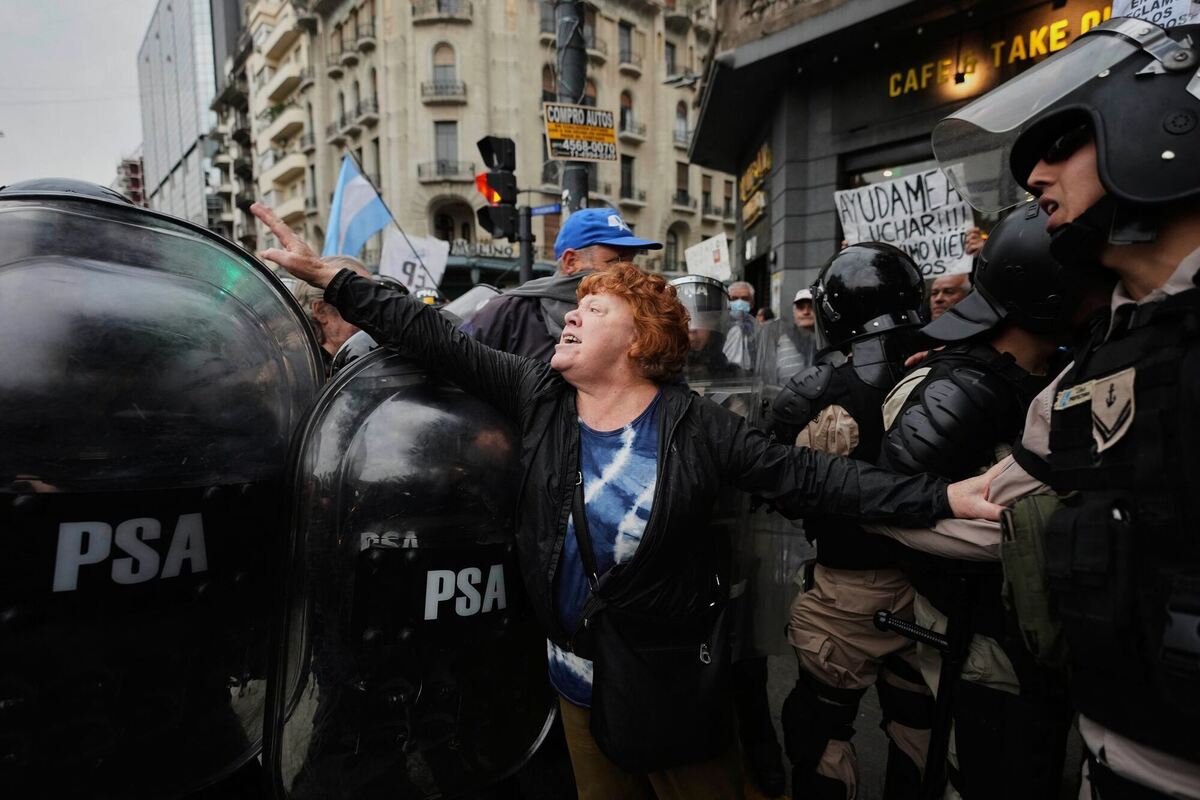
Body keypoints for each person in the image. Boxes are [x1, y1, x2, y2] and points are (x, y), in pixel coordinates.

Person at [251, 201, 1000, 799]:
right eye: (578, 307)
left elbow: (817, 478)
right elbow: (431, 334)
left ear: (640, 341)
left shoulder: (699, 428)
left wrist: (944, 497)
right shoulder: (538, 393)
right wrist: (331, 277)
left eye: (594, 309)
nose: (571, 315)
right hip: (572, 681)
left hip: (670, 685)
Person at [930, 18, 1200, 798]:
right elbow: (993, 509)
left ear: (1166, 126)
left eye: (1064, 144)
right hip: (1110, 762)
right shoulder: (1106, 351)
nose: (1037, 178)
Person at [873, 202, 1097, 799]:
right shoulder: (963, 387)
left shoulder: (1052, 371)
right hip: (982, 633)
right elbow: (889, 504)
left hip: (1031, 629)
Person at [765, 243, 930, 800]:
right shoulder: (954, 363)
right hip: (937, 587)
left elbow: (778, 486)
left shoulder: (814, 387)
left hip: (848, 592)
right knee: (919, 728)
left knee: (818, 731)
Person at [462, 208, 660, 361]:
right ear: (571, 261)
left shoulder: (640, 317)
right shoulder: (507, 313)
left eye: (631, 261)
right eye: (616, 262)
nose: (628, 272)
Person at [292, 255, 371, 368]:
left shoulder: (365, 357)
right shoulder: (301, 372)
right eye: (361, 301)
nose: (374, 315)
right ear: (321, 312)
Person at [756, 287, 819, 393]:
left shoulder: (826, 341)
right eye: (801, 307)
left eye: (811, 307)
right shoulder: (781, 340)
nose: (806, 312)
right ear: (794, 312)